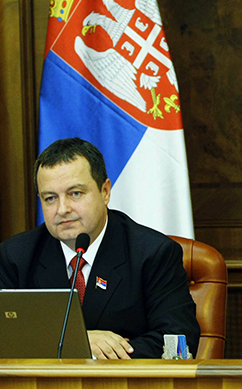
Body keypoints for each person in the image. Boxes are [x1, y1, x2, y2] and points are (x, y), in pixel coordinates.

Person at [0, 137, 200, 359]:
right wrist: (78, 343)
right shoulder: (15, 256)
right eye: (50, 198)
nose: (62, 209)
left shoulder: (152, 253)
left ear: (105, 191)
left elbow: (177, 339)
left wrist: (97, 355)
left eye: (75, 193)